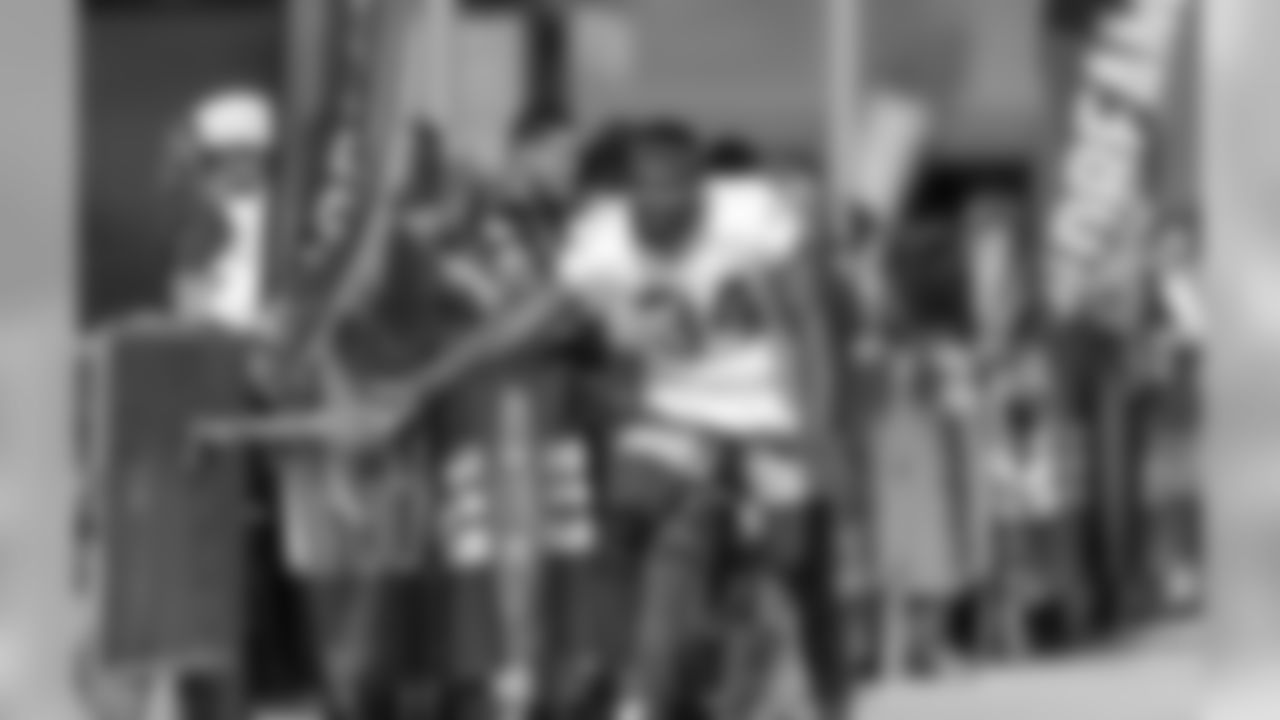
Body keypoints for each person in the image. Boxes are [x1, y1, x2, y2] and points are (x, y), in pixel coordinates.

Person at [379, 119, 839, 720]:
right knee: (650, 522)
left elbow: (807, 323)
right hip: (672, 419)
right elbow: (525, 321)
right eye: (646, 191)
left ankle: (778, 677)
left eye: (675, 189)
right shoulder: (603, 242)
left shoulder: (752, 223)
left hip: (766, 412)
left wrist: (814, 424)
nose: (659, 206)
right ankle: (639, 690)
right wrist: (428, 378)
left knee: (782, 556)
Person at [169, 87, 277, 335]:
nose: (243, 167)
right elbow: (190, 301)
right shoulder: (206, 217)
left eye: (249, 156)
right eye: (230, 159)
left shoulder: (276, 211)